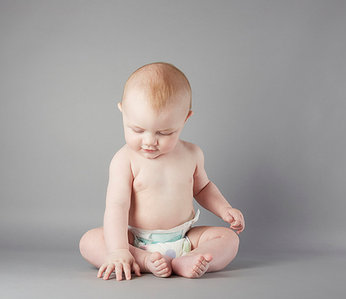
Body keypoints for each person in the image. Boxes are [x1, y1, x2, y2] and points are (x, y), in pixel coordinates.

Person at [79, 62, 245, 280]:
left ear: (185, 118)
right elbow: (117, 207)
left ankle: (187, 260)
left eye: (164, 133)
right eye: (137, 129)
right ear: (122, 111)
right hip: (136, 241)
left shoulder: (192, 154)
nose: (149, 141)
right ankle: (142, 260)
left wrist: (225, 209)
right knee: (90, 241)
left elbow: (203, 188)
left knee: (228, 239)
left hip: (184, 237)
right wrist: (119, 249)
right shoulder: (124, 159)